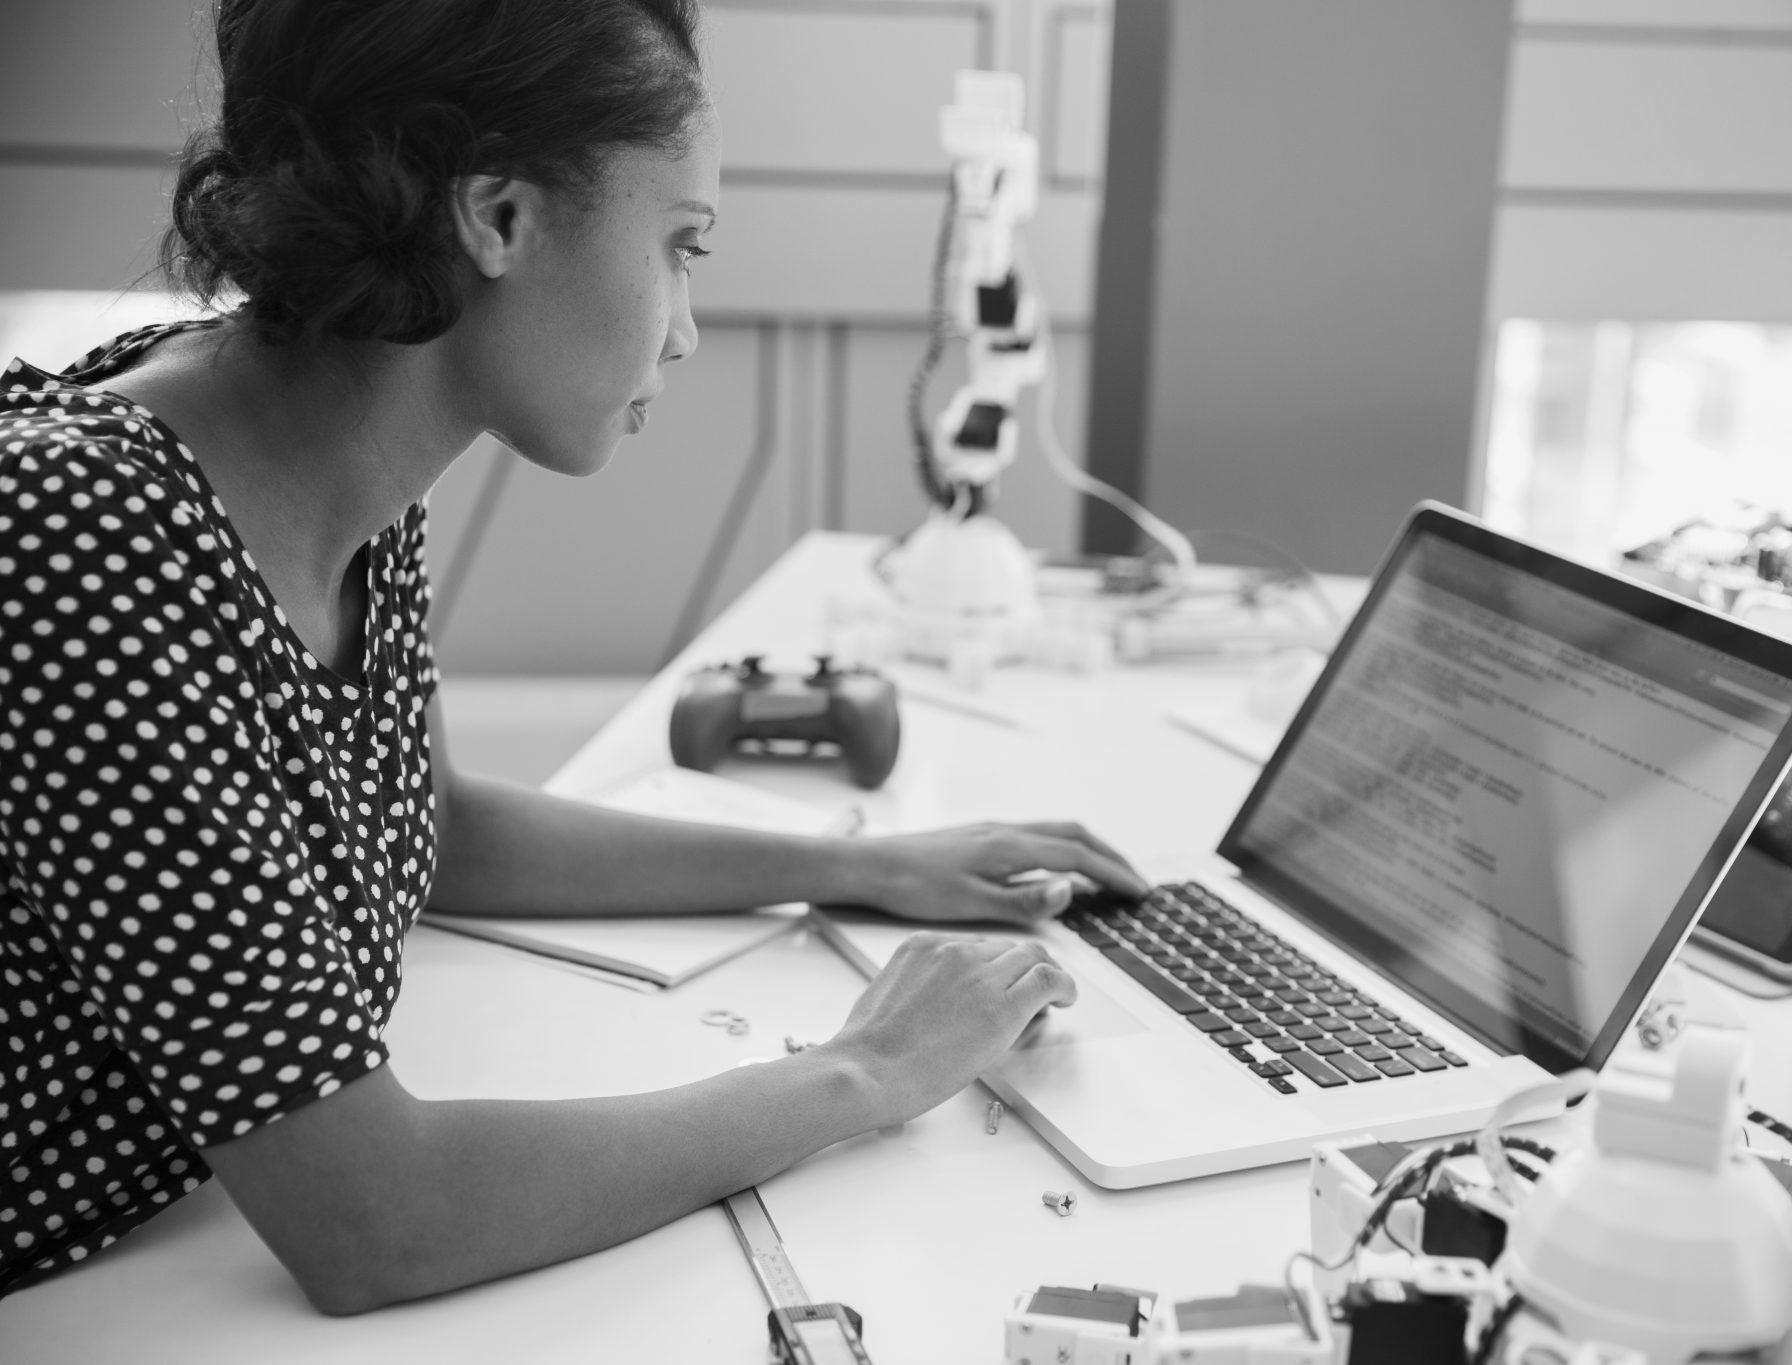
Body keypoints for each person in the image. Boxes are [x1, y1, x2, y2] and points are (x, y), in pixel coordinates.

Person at [0, 0, 1145, 1312]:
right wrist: (866, 1069)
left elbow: (418, 825)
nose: (684, 329)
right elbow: (377, 1214)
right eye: (682, 245)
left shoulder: (338, 441)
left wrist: (857, 866)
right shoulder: (81, 530)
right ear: (496, 219)